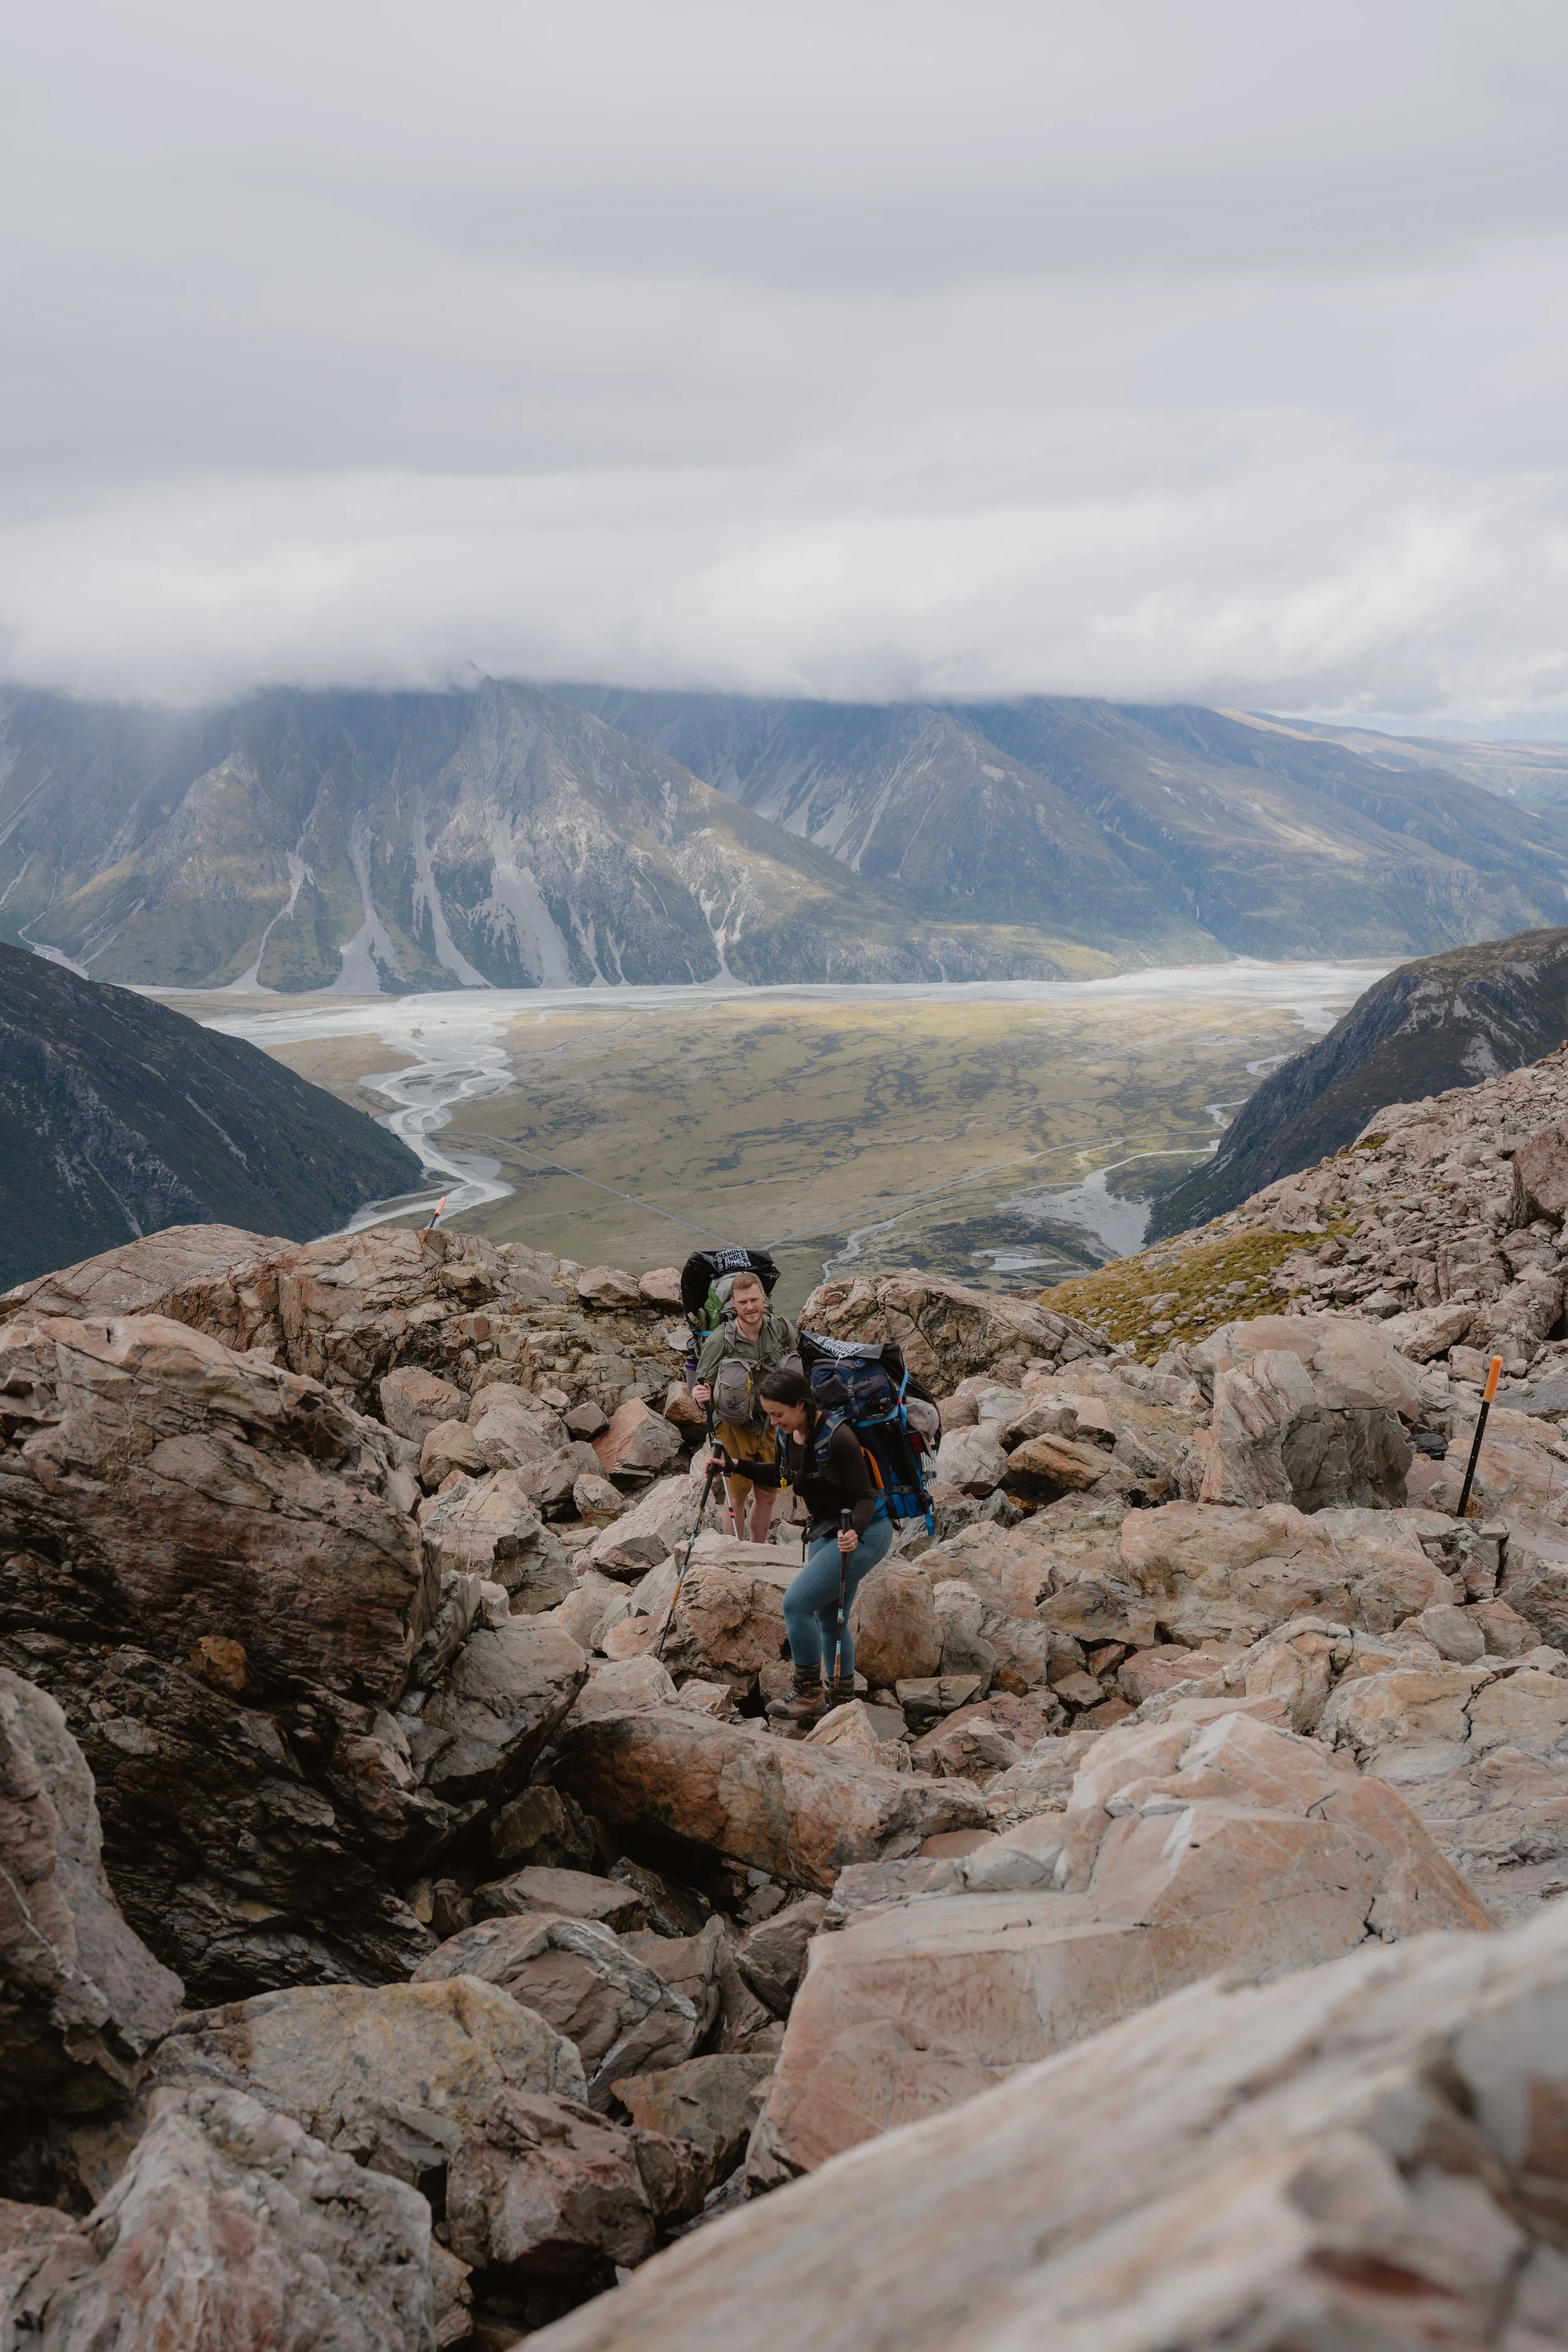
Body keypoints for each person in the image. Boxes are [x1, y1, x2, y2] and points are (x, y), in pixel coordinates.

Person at [758, 1364, 895, 1724]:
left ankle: (809, 1693)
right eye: (769, 1415)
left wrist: (855, 1531)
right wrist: (733, 1465)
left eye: (778, 1414)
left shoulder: (839, 1437)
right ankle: (843, 1704)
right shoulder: (789, 1435)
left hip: (865, 1532)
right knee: (829, 1620)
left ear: (801, 1405)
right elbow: (784, 1476)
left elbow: (866, 1496)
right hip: (826, 1530)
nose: (774, 1422)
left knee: (795, 1604)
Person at [691, 1269, 797, 1542]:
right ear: (733, 1304)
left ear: (763, 1297)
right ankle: (736, 1553)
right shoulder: (719, 1340)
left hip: (773, 1426)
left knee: (767, 1494)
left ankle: (758, 1551)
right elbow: (702, 1384)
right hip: (733, 1427)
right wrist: (699, 1394)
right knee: (736, 1496)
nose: (750, 1307)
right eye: (743, 1302)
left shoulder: (783, 1331)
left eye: (754, 1300)